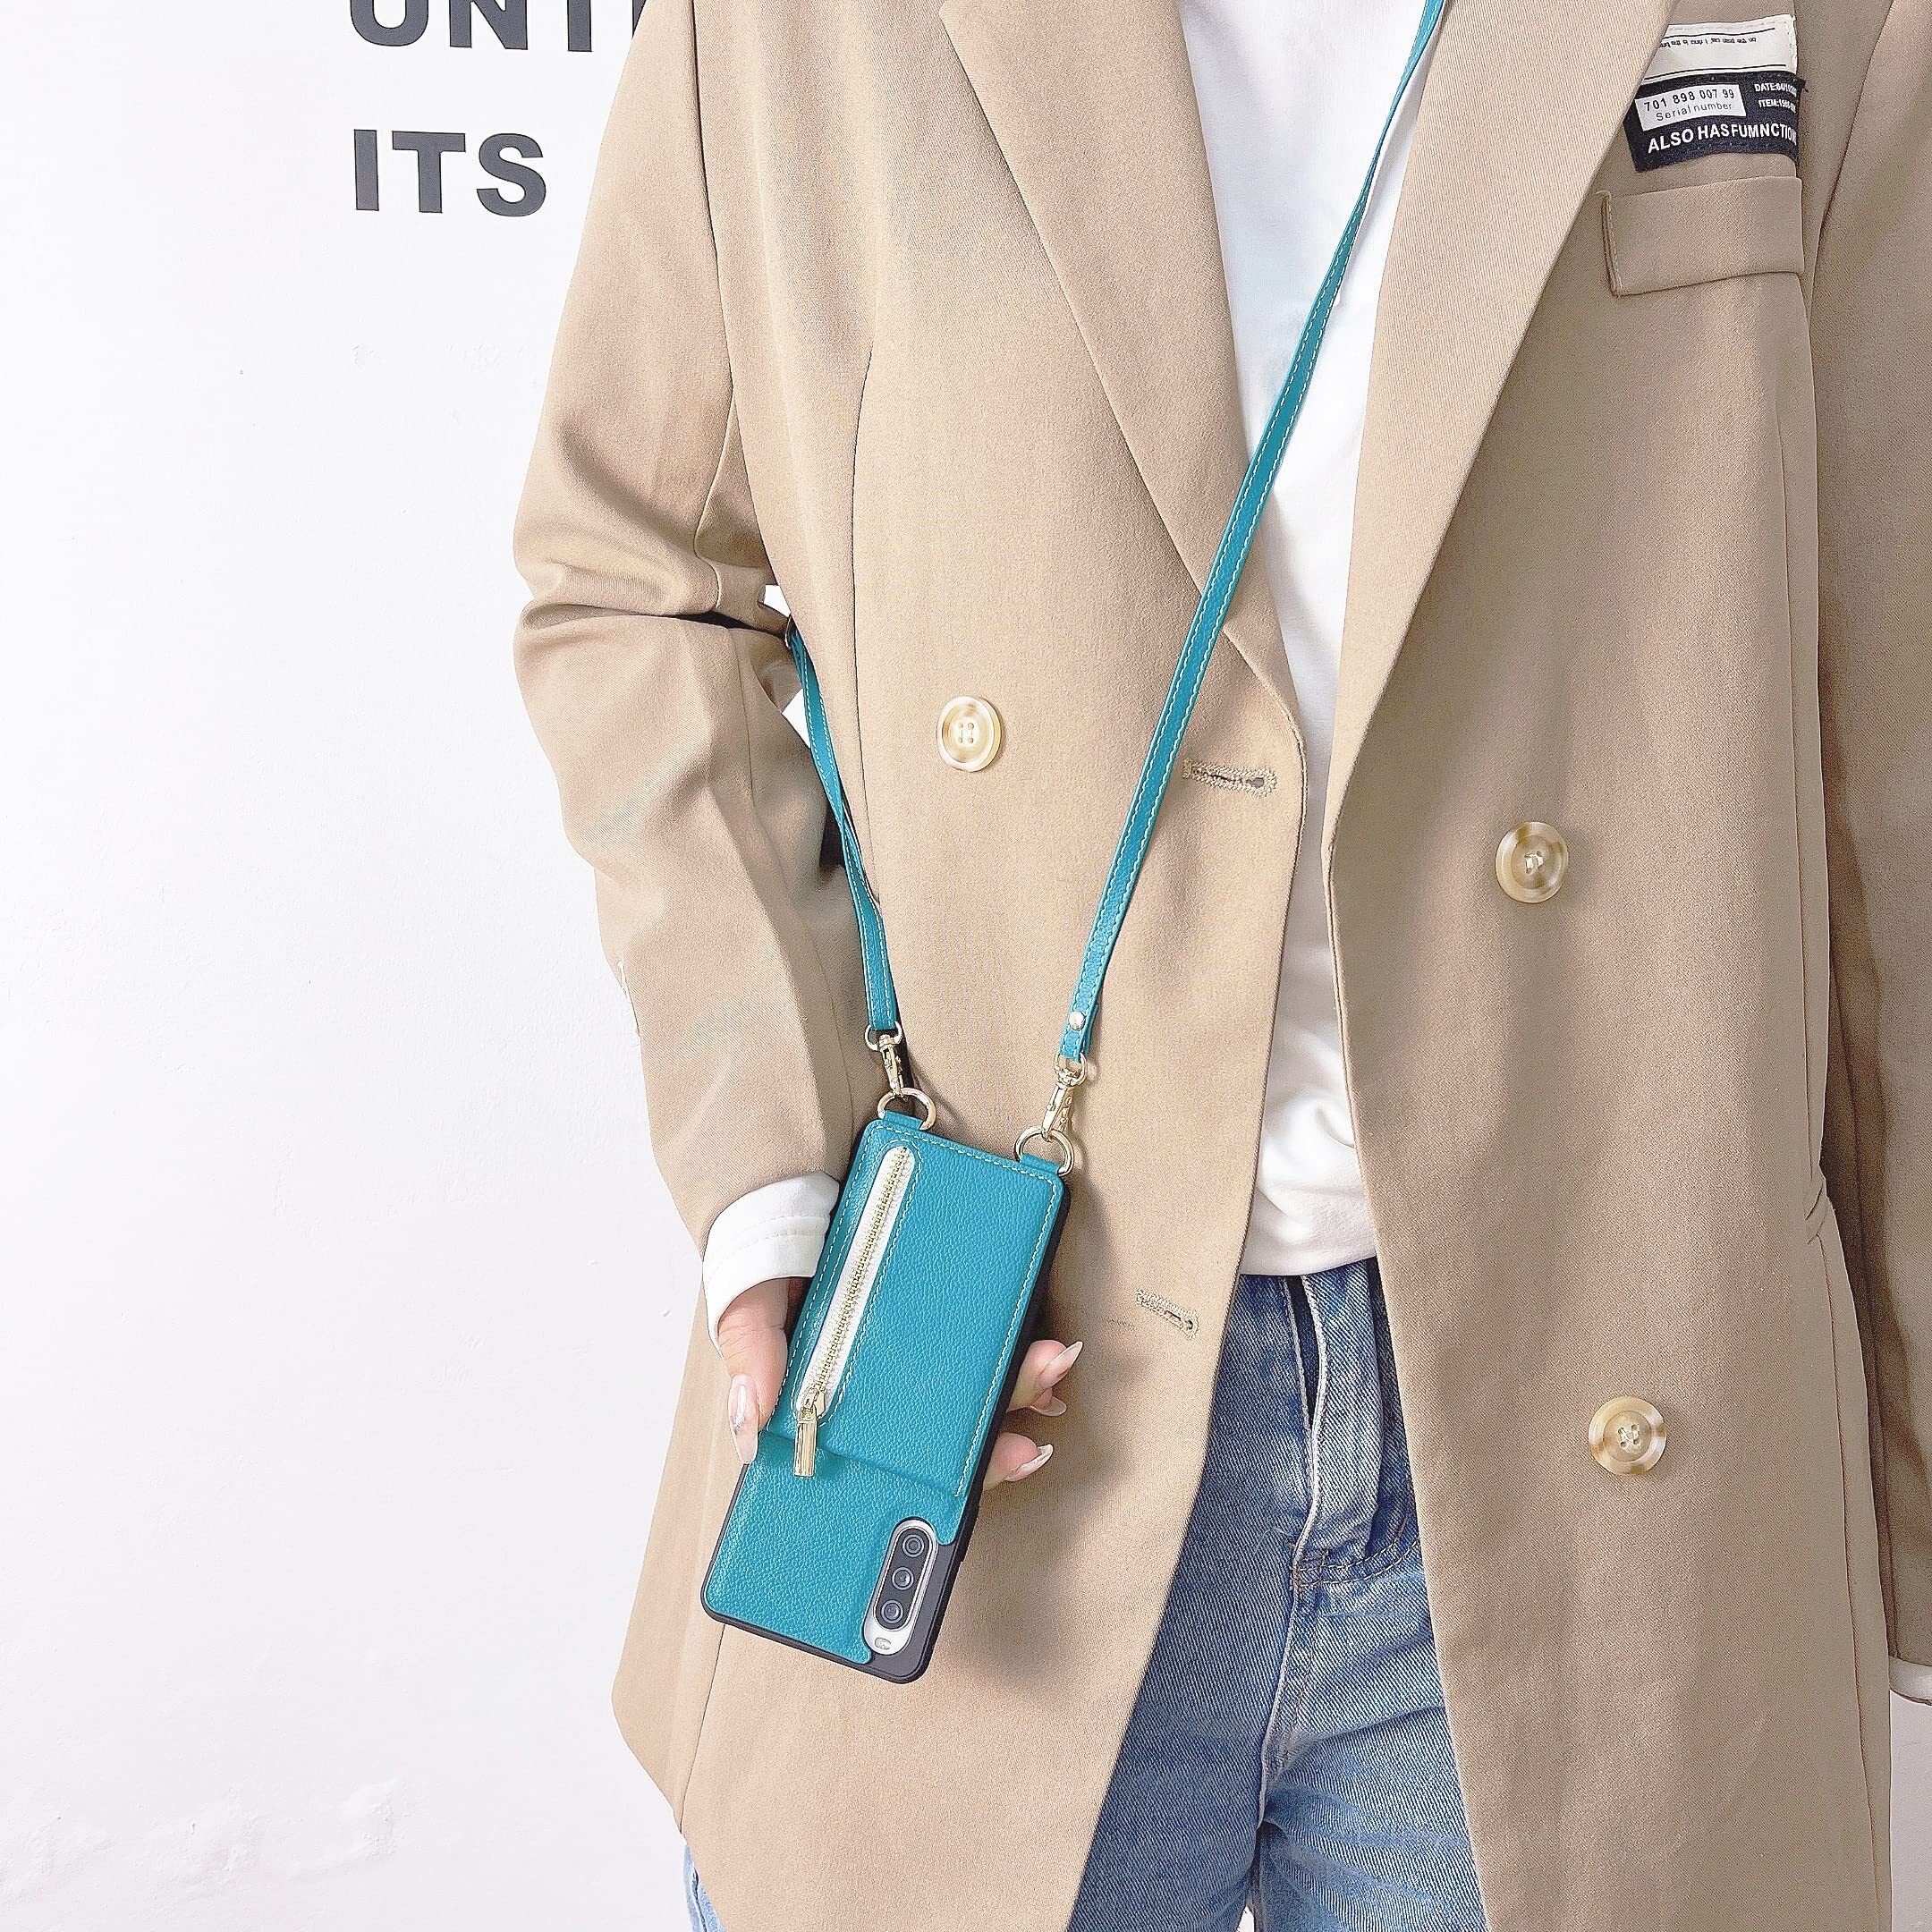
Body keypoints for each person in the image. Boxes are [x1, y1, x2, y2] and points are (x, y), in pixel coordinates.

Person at [510, 0, 1932, 1926]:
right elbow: (636, 578)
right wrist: (778, 1175)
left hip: (1610, 1415)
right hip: (1000, 1396)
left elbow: (1898, 732)